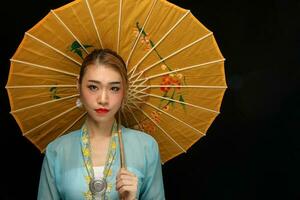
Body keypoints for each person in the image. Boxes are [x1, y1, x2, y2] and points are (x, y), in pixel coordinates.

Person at [37, 49, 165, 200]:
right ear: (78, 86)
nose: (103, 99)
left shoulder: (146, 147)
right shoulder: (57, 151)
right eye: (93, 87)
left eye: (114, 88)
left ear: (125, 90)